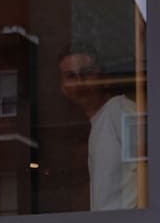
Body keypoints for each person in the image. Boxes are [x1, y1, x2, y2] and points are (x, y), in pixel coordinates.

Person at [58, 47, 139, 210]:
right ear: (63, 87)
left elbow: (151, 169)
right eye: (71, 76)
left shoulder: (119, 110)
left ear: (103, 77)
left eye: (86, 73)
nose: (80, 82)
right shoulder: (97, 124)